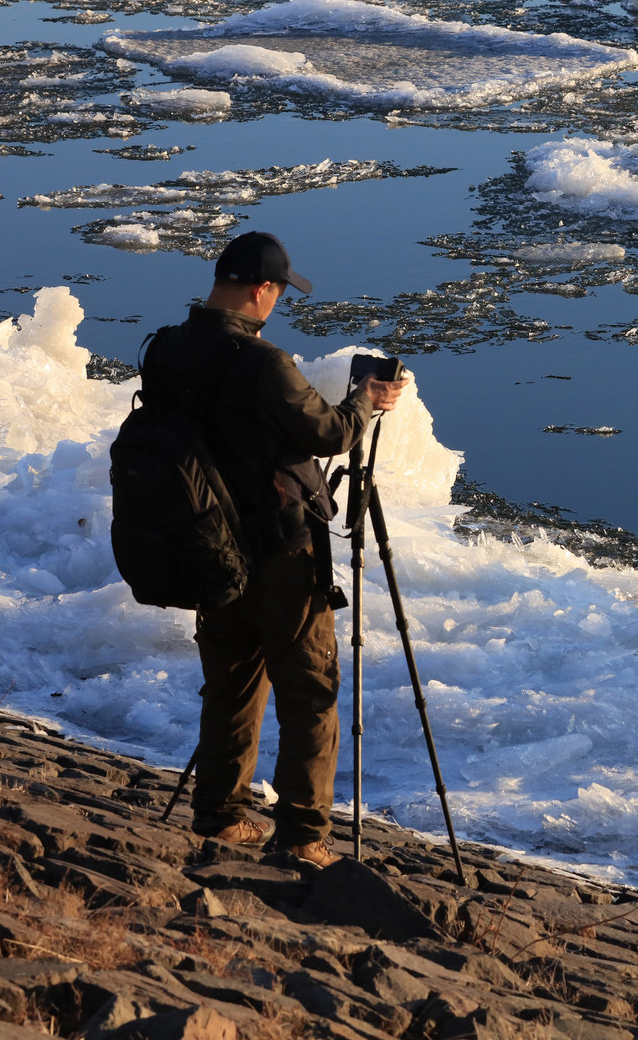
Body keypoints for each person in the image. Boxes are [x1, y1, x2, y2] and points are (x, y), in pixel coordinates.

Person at [139, 231, 405, 869]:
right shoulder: (263, 362)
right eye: (279, 292)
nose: (277, 303)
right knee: (310, 691)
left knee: (231, 682)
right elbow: (329, 432)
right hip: (279, 552)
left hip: (206, 546)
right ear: (263, 289)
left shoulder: (166, 348)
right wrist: (365, 400)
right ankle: (303, 834)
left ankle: (220, 815)